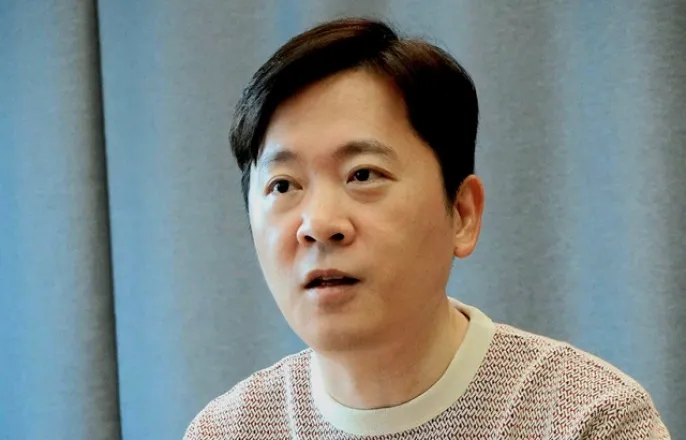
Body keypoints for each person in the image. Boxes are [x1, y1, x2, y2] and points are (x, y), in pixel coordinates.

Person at [183, 17, 670, 439]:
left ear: (462, 214)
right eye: (284, 185)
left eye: (363, 175)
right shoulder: (228, 430)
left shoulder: (588, 419)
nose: (320, 225)